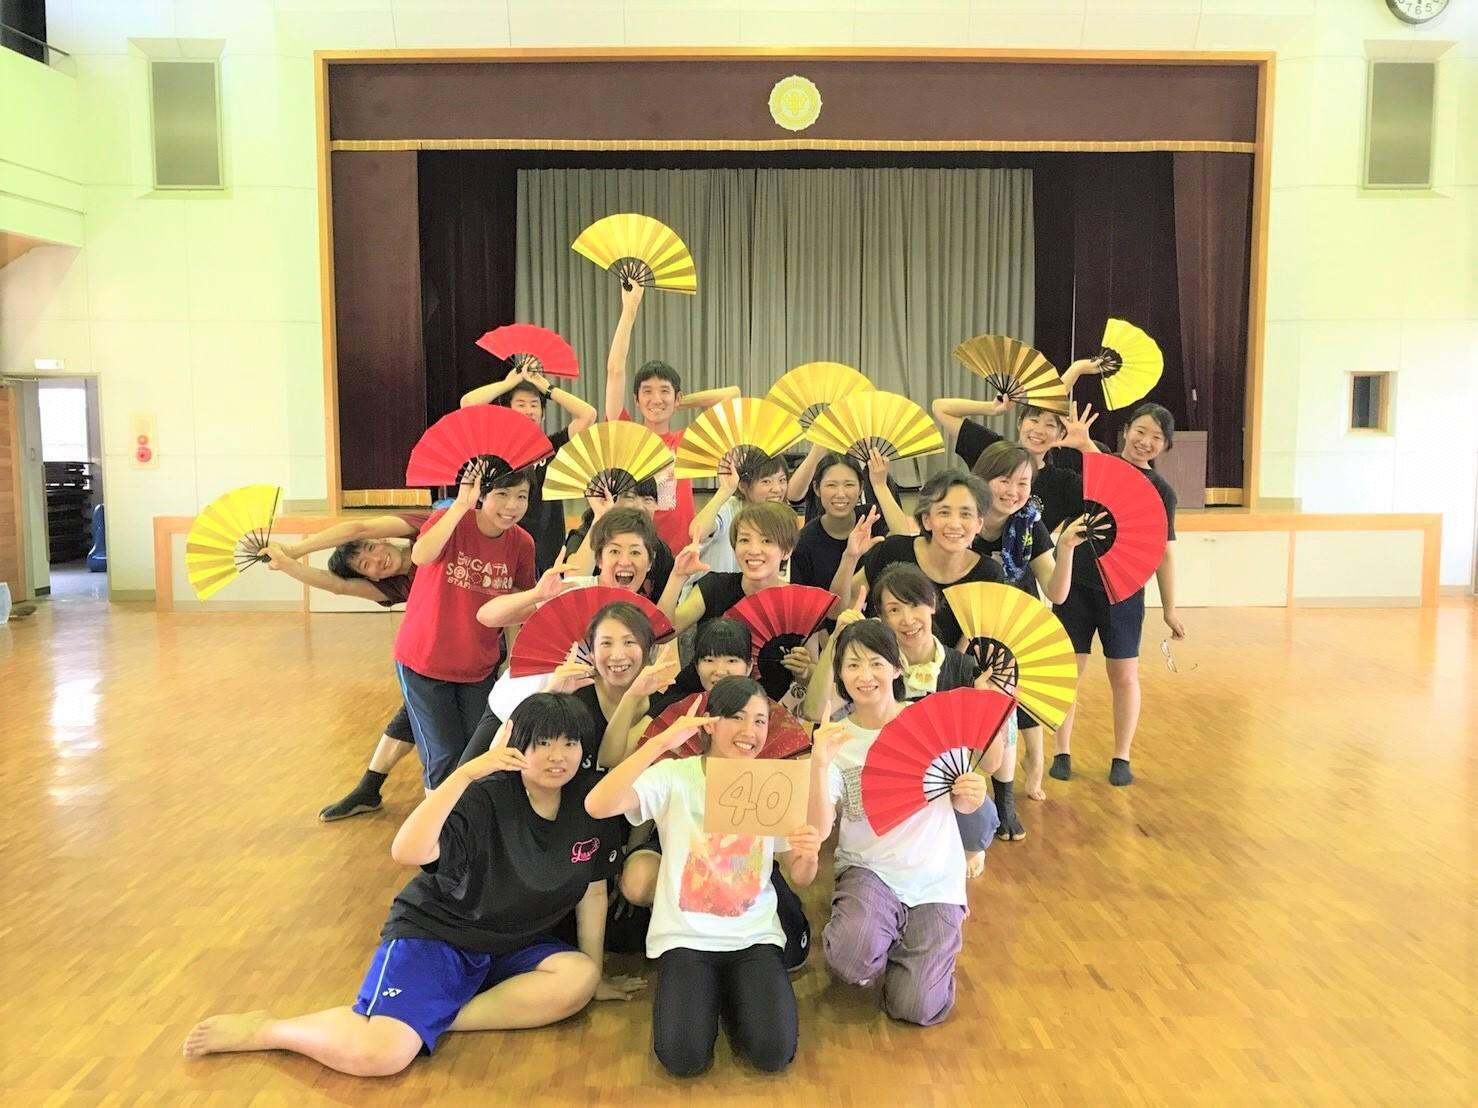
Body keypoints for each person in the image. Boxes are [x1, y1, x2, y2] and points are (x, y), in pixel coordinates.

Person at [182, 694, 642, 1076]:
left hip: (514, 943)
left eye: (569, 743)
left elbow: (592, 891)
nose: (558, 756)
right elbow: (407, 851)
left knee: (579, 979)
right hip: (439, 936)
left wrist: (598, 973)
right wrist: (465, 773)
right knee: (379, 1056)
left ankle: (427, 1017)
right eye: (542, 743)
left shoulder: (590, 802)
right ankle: (268, 1029)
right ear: (515, 745)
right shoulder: (483, 795)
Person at [586, 676, 821, 1077]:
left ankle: (732, 992)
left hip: (753, 936)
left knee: (773, 1053)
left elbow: (800, 875)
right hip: (687, 938)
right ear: (710, 722)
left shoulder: (773, 782)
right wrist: (661, 743)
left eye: (760, 721)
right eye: (737, 718)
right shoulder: (675, 775)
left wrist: (810, 854)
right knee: (683, 1059)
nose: (750, 731)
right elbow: (597, 804)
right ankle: (715, 993)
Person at [806, 620, 994, 1027]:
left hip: (935, 880)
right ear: (840, 675)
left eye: (876, 663)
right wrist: (818, 765)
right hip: (870, 870)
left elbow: (973, 787)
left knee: (916, 1008)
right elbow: (819, 829)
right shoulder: (836, 740)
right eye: (853, 665)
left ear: (896, 668)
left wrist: (972, 794)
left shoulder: (932, 721)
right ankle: (882, 933)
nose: (865, 675)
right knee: (850, 958)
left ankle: (922, 946)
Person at [1050, 403, 1184, 787]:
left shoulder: (1161, 491)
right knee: (1067, 672)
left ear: (1165, 446)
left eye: (1156, 437)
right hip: (1076, 586)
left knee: (1124, 676)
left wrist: (1170, 609)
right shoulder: (1096, 465)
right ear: (1125, 430)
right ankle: (1061, 751)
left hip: (1124, 592)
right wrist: (1082, 443)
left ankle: (1121, 756)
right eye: (1140, 431)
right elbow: (1107, 473)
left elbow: (1163, 552)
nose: (1146, 441)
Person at [968, 441, 1090, 826]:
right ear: (982, 479)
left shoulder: (1029, 523)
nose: (1013, 491)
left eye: (1023, 483)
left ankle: (1031, 759)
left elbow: (1056, 591)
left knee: (1019, 697)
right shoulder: (963, 518)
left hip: (1014, 625)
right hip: (967, 624)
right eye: (1004, 480)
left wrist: (1066, 549)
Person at [395, 460, 536, 790]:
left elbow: (516, 603)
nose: (512, 506)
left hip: (478, 665)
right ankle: (439, 820)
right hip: (424, 661)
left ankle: (471, 815)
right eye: (502, 494)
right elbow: (421, 556)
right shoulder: (450, 521)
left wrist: (513, 659)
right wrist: (460, 505)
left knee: (478, 752)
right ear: (482, 494)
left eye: (522, 496)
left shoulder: (522, 544)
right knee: (443, 754)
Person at [603, 281, 740, 556]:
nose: (656, 398)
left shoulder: (686, 441)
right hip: (634, 550)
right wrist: (630, 309)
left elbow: (732, 395)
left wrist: (674, 404)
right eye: (648, 392)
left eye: (664, 391)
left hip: (679, 553)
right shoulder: (625, 433)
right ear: (636, 399)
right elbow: (615, 370)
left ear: (677, 397)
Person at [459, 599, 672, 773]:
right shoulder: (572, 694)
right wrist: (549, 694)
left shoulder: (660, 704)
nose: (617, 655)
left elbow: (609, 759)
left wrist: (632, 696)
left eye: (629, 642)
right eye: (606, 643)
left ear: (649, 650)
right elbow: (499, 750)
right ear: (591, 653)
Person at [830, 472, 1006, 651]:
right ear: (927, 520)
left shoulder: (989, 575)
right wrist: (850, 557)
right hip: (878, 660)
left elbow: (968, 645)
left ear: (979, 524)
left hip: (944, 667)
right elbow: (836, 611)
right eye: (944, 512)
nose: (954, 524)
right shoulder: (893, 550)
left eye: (966, 514)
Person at [461, 365, 597, 574]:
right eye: (521, 404)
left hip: (545, 550)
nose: (529, 410)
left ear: (543, 414)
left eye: (535, 405)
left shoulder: (550, 446)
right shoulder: (493, 448)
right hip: (502, 547)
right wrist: (508, 384)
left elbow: (588, 414)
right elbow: (468, 403)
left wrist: (547, 388)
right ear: (507, 411)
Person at [658, 501, 799, 637]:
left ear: (787, 550)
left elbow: (809, 652)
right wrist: (678, 576)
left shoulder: (798, 602)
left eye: (766, 541)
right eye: (744, 540)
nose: (754, 550)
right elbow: (662, 632)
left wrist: (806, 655)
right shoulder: (715, 587)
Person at [788, 452, 909, 591]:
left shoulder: (871, 518)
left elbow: (903, 538)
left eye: (849, 485)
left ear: (861, 488)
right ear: (817, 488)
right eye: (831, 485)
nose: (840, 494)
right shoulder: (804, 542)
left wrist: (879, 485)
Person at [688, 452, 790, 575]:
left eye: (782, 480)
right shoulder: (729, 509)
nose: (777, 489)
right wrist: (725, 490)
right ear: (743, 486)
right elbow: (697, 532)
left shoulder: (781, 517)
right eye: (766, 481)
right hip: (712, 585)